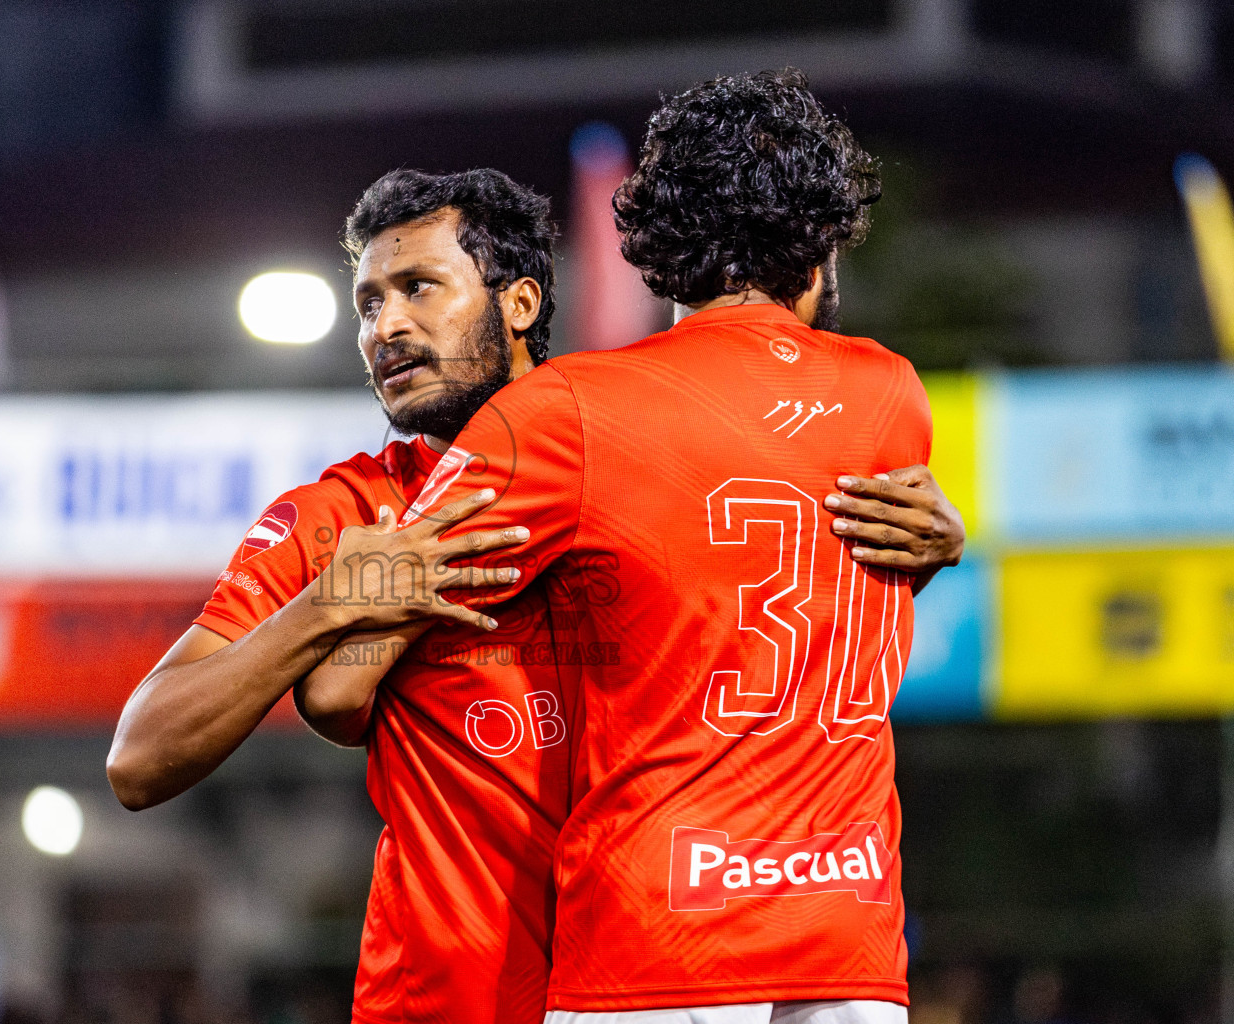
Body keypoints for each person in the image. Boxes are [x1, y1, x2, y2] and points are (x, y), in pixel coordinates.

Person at [107, 160, 963, 1021]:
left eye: (418, 288)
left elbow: (781, 612)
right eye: (369, 303)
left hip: (646, 978)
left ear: (518, 304)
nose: (386, 327)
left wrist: (923, 547)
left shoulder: (629, 452)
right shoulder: (340, 514)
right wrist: (329, 601)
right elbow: (139, 760)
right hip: (441, 1003)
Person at [368, 70, 957, 1022]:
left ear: (657, 246)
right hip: (847, 937)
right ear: (818, 248)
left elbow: (378, 610)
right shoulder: (893, 395)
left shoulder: (569, 410)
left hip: (659, 939)